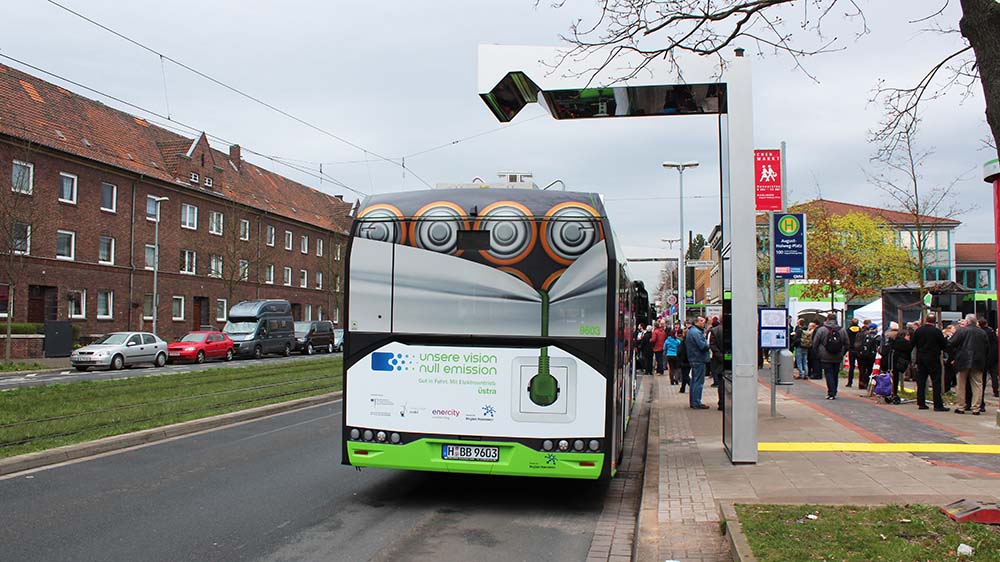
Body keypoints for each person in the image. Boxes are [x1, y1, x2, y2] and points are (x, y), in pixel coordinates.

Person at [949, 314, 988, 415]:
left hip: (962, 360)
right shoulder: (982, 332)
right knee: (977, 385)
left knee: (961, 385)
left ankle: (961, 406)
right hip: (978, 361)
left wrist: (955, 355)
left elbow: (951, 343)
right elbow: (987, 347)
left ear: (967, 322)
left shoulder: (962, 331)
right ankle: (976, 408)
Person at [911, 314, 948, 411]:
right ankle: (938, 404)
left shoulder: (919, 331)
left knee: (921, 381)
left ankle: (921, 403)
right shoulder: (937, 332)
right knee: (936, 381)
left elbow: (912, 343)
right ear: (934, 321)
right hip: (933, 358)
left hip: (921, 358)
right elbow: (944, 345)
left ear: (925, 320)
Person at [811, 313, 849, 399]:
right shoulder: (842, 330)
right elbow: (847, 343)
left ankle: (831, 392)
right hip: (838, 355)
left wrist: (819, 353)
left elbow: (815, 343)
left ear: (827, 319)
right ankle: (834, 391)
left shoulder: (822, 330)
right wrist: (842, 353)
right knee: (835, 374)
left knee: (828, 373)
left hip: (825, 356)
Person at [685, 316, 711, 409]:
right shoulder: (696, 332)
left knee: (694, 380)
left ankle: (694, 401)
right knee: (698, 381)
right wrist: (708, 344)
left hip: (693, 358)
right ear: (696, 322)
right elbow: (702, 346)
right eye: (701, 321)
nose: (703, 322)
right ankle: (696, 402)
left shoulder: (691, 331)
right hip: (698, 358)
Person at [890, 327, 913, 404]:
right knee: (896, 378)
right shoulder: (905, 343)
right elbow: (910, 349)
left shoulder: (895, 341)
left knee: (894, 378)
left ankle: (892, 393)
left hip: (892, 362)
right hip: (899, 363)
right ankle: (894, 394)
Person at [708, 317, 725, 410]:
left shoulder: (714, 331)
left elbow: (712, 345)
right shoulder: (734, 329)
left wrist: (720, 356)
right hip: (731, 361)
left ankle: (721, 403)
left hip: (718, 361)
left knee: (721, 383)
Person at [857, 323, 879, 391]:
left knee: (862, 370)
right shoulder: (877, 337)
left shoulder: (865, 335)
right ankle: (868, 383)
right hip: (871, 356)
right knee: (870, 370)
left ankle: (861, 384)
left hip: (863, 355)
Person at [846, 318, 861, 387]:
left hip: (851, 349)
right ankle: (861, 382)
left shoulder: (848, 330)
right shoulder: (860, 330)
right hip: (859, 350)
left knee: (851, 367)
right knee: (861, 367)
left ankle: (850, 382)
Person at [678, 328, 691, 393]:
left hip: (684, 360)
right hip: (689, 360)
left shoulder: (683, 342)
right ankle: (682, 388)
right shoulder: (690, 342)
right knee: (685, 374)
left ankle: (691, 385)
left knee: (685, 375)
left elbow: (680, 351)